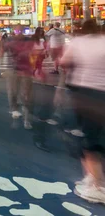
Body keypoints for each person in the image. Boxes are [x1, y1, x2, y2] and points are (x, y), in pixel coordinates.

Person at [60, 19, 105, 204]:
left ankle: (97, 187)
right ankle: (93, 177)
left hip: (87, 94)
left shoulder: (78, 42)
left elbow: (64, 62)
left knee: (90, 139)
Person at [5, 26, 34, 129]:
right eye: (17, 30)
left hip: (25, 70)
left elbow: (32, 53)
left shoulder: (28, 40)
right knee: (13, 91)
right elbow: (2, 50)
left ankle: (26, 119)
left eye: (21, 30)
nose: (19, 32)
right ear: (14, 31)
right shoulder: (9, 40)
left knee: (26, 94)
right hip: (13, 70)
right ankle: (14, 109)